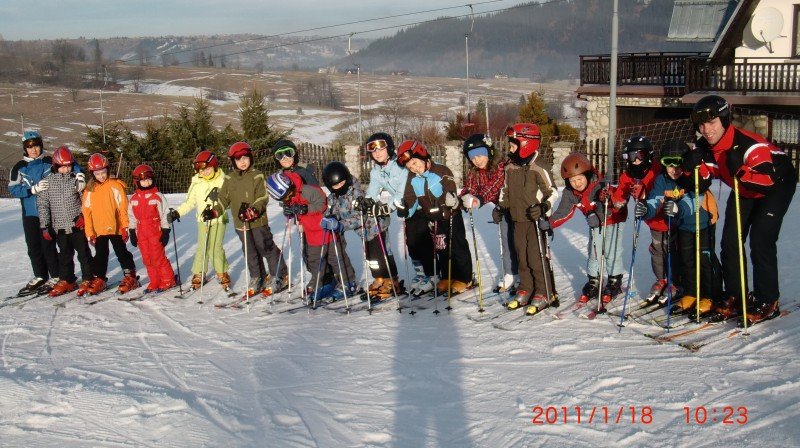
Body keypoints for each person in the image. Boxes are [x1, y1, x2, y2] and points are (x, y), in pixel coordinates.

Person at [691, 95, 797, 324]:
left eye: (711, 123)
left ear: (724, 119)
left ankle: (767, 300)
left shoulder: (750, 144)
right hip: (744, 188)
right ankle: (737, 295)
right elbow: (705, 178)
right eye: (701, 125)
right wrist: (693, 167)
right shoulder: (705, 147)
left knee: (760, 240)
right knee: (730, 241)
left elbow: (767, 181)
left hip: (776, 185)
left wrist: (740, 170)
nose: (706, 130)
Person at [639, 141, 722, 315]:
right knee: (687, 260)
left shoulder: (691, 177)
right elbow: (655, 199)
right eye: (669, 164)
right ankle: (691, 293)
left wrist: (678, 209)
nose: (674, 169)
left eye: (678, 164)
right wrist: (646, 209)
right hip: (683, 226)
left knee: (704, 259)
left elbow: (695, 199)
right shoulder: (662, 180)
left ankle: (710, 295)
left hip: (703, 223)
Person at [208, 142, 287, 297]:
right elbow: (223, 199)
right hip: (241, 224)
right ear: (233, 162)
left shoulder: (257, 175)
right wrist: (215, 211)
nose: (242, 162)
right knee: (250, 252)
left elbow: (263, 197)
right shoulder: (229, 179)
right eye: (238, 159)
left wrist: (254, 210)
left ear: (250, 158)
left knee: (265, 247)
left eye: (245, 158)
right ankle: (258, 277)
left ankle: (280, 275)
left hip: (258, 222)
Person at [396, 140, 473, 296]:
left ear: (422, 155)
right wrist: (405, 209)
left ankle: (464, 278)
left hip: (451, 216)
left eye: (415, 163)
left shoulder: (441, 170)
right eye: (410, 167)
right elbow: (410, 198)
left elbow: (450, 190)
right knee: (441, 248)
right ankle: (447, 276)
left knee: (457, 246)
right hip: (434, 219)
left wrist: (445, 206)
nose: (414, 168)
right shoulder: (413, 178)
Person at [548, 152, 627, 305]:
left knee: (611, 251)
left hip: (613, 219)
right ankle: (594, 280)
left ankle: (614, 279)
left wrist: (597, 215)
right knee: (594, 251)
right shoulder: (570, 193)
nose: (577, 183)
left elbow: (609, 205)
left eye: (579, 179)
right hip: (594, 223)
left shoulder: (599, 186)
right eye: (572, 180)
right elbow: (563, 211)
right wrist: (549, 222)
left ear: (587, 174)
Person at [496, 124, 557, 314]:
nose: (510, 148)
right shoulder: (510, 167)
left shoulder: (538, 167)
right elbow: (505, 191)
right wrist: (500, 207)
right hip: (517, 220)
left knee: (536, 258)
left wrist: (543, 207)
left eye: (513, 145)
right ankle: (526, 288)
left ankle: (544, 292)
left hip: (534, 222)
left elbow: (553, 192)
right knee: (521, 258)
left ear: (525, 144)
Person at [609, 136, 675, 304]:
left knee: (671, 249)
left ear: (649, 155)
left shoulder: (657, 171)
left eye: (641, 155)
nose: (637, 160)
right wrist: (614, 200)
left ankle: (675, 281)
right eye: (632, 156)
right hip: (653, 222)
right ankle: (661, 279)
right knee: (657, 250)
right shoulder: (628, 176)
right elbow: (620, 197)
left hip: (670, 218)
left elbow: (663, 191)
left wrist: (644, 194)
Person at [460, 133, 518, 295]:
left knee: (520, 243)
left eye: (480, 155)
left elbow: (494, 186)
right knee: (506, 242)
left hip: (519, 208)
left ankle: (524, 275)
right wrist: (461, 199)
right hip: (503, 209)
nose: (476, 160)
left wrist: (478, 199)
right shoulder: (475, 172)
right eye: (472, 158)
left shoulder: (502, 165)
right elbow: (469, 189)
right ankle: (510, 273)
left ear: (490, 151)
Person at [8, 131, 65, 296]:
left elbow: (69, 163)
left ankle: (56, 275)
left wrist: (80, 174)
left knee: (48, 245)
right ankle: (40, 275)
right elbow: (13, 188)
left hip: (48, 211)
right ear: (25, 149)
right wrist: (31, 190)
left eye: (36, 146)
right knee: (33, 246)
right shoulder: (19, 167)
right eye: (29, 147)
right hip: (30, 213)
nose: (33, 150)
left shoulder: (49, 162)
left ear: (41, 146)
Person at [36, 146, 96, 297]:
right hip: (60, 227)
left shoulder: (75, 180)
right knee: (64, 256)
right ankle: (67, 279)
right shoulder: (48, 183)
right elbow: (43, 204)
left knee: (84, 254)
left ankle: (88, 277)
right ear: (55, 166)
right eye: (63, 167)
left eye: (69, 166)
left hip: (77, 226)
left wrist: (83, 216)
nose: (66, 169)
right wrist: (45, 226)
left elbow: (85, 200)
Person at [266, 171, 336, 301]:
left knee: (324, 257)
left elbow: (321, 203)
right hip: (306, 228)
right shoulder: (288, 191)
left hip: (320, 227)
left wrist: (304, 208)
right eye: (284, 199)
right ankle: (318, 280)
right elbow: (291, 206)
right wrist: (289, 211)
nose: (287, 198)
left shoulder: (305, 187)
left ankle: (328, 280)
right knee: (310, 257)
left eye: (288, 196)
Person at [168, 150, 231, 291]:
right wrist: (177, 212)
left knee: (215, 247)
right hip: (203, 221)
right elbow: (190, 202)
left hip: (219, 220)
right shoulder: (197, 182)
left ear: (214, 166)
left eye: (208, 169)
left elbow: (229, 201)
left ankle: (221, 271)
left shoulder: (223, 180)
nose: (205, 172)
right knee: (202, 247)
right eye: (202, 170)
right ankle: (199, 272)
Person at [82, 153, 140, 294]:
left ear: (107, 170)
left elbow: (123, 207)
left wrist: (125, 226)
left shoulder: (115, 185)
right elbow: (86, 212)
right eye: (97, 173)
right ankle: (100, 278)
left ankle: (130, 276)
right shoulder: (89, 190)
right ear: (92, 174)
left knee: (121, 252)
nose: (101, 176)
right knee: (100, 255)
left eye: (103, 172)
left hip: (116, 227)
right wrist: (90, 232)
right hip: (99, 229)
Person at [363, 132, 410, 297]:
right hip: (404, 208)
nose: (377, 153)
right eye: (373, 150)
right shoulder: (376, 171)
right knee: (393, 245)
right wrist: (366, 202)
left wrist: (386, 208)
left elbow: (401, 193)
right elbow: (372, 192)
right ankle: (389, 279)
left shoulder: (400, 166)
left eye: (380, 148)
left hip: (415, 204)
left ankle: (430, 275)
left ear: (389, 147)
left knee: (420, 243)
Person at [318, 161, 365, 299]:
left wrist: (341, 225)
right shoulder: (333, 197)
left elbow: (359, 217)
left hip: (370, 227)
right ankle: (343, 282)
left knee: (375, 257)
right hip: (349, 227)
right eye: (335, 186)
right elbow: (330, 210)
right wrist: (328, 219)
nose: (339, 187)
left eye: (342, 183)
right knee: (334, 252)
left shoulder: (357, 193)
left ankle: (387, 280)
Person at [128, 164, 176, 293]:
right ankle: (154, 280)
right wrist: (132, 231)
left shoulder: (157, 196)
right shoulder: (134, 199)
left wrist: (165, 230)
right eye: (143, 180)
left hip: (155, 230)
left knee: (157, 257)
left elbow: (165, 214)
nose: (146, 182)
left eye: (149, 179)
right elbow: (131, 216)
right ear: (137, 182)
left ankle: (168, 279)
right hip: (141, 231)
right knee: (147, 258)